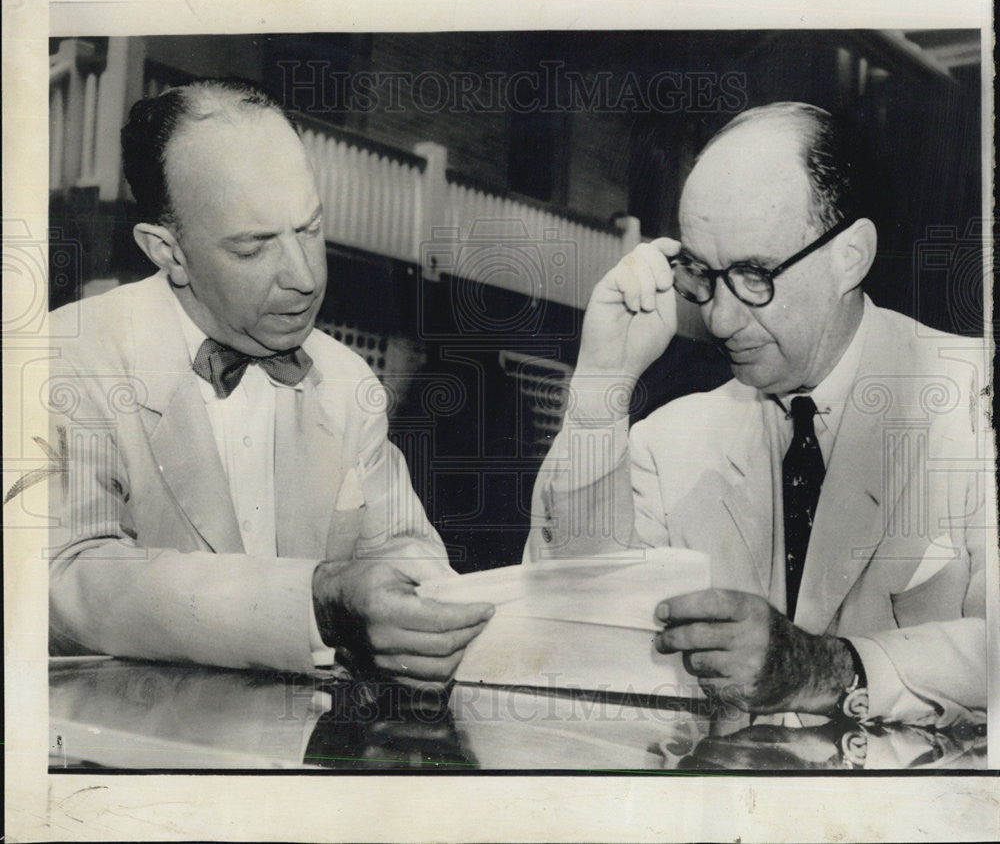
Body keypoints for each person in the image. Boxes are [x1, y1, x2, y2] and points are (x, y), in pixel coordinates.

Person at [527, 102, 992, 726]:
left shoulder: (974, 401)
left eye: (753, 274)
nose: (718, 319)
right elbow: (571, 634)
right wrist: (601, 387)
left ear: (850, 255)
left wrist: (832, 668)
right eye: (702, 273)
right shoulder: (669, 442)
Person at [46, 78, 493, 690]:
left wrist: (418, 617)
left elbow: (407, 556)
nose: (306, 278)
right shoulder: (67, 358)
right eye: (254, 247)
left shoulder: (345, 379)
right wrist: (312, 601)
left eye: (309, 230)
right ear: (167, 252)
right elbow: (67, 580)